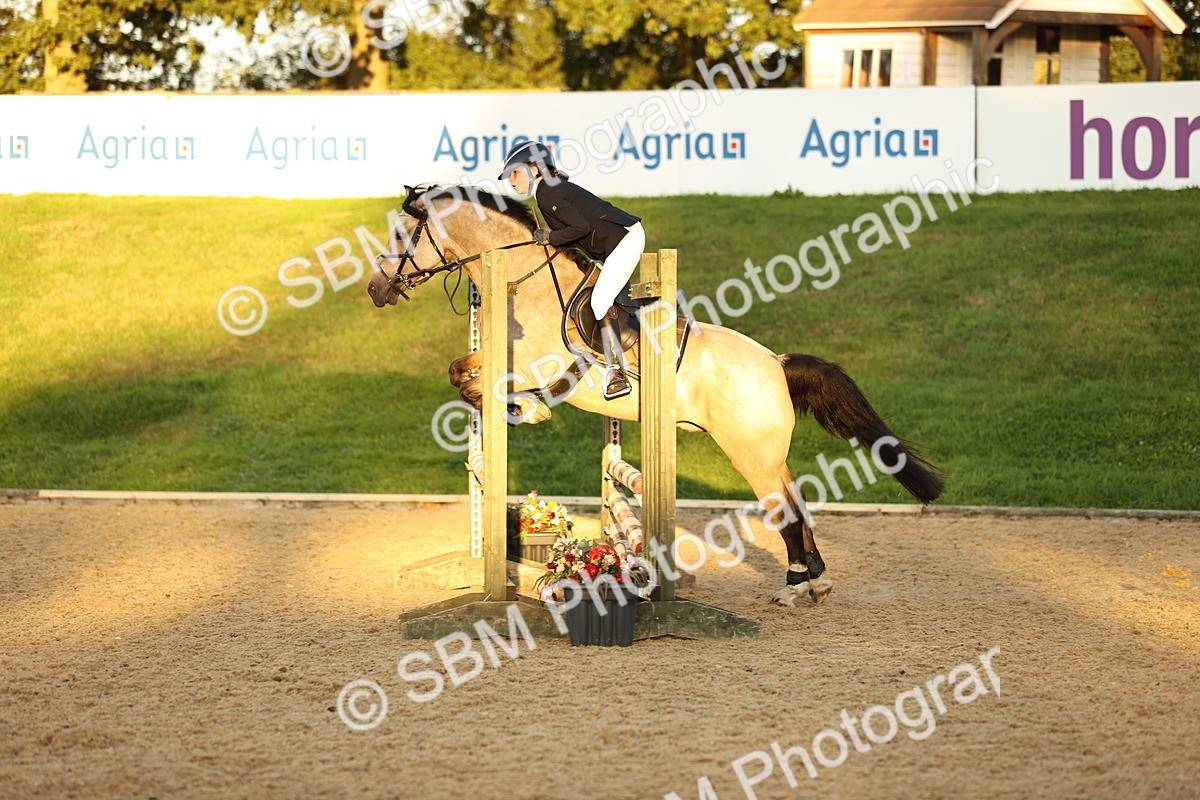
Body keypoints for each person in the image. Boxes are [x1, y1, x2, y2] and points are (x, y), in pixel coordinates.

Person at [497, 141, 644, 400]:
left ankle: (615, 372)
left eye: (515, 172)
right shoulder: (549, 190)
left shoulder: (547, 193)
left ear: (534, 169)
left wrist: (549, 237)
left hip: (623, 240)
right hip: (613, 243)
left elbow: (579, 229)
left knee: (599, 301)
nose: (510, 180)